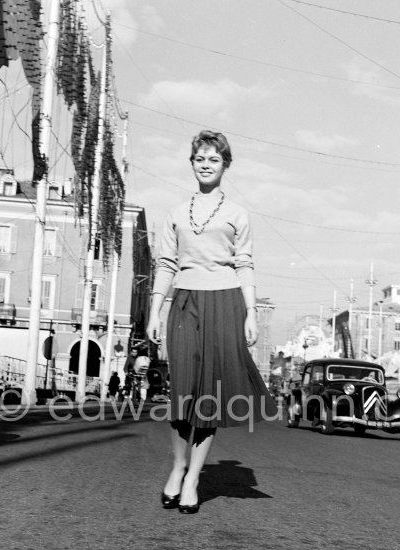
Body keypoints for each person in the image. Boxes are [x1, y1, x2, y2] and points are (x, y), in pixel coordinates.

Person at [146, 130, 278, 515]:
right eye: (200, 159)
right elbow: (166, 264)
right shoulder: (174, 213)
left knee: (211, 397)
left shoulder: (238, 214)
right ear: (192, 163)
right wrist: (155, 311)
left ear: (225, 165)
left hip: (226, 303)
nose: (206, 165)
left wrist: (252, 313)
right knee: (183, 393)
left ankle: (193, 479)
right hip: (184, 301)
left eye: (214, 159)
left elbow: (245, 263)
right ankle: (177, 467)